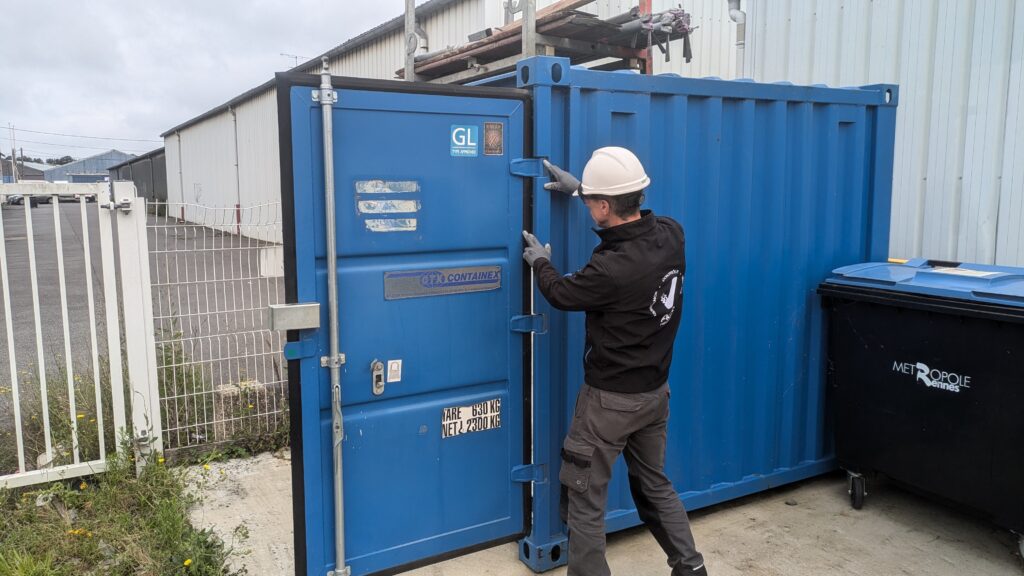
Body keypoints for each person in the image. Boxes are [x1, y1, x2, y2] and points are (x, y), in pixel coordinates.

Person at [522, 147, 707, 576]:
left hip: (608, 403)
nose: (587, 206)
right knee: (655, 485)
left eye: (591, 202)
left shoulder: (610, 269)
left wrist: (541, 264)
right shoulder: (672, 234)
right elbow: (625, 219)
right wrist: (581, 189)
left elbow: (562, 294)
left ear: (605, 205)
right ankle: (691, 568)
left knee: (586, 502)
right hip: (654, 395)